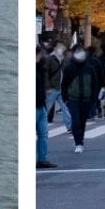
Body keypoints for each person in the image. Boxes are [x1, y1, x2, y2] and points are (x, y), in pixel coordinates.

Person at [61, 43, 98, 154]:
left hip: (86, 99)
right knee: (76, 120)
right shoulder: (69, 68)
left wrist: (94, 98)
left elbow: (95, 84)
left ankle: (80, 139)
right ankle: (78, 143)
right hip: (73, 99)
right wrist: (65, 99)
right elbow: (64, 85)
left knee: (82, 121)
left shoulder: (89, 67)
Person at [36, 42, 62, 170]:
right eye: (39, 54)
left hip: (41, 106)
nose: (41, 56)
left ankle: (42, 159)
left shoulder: (41, 68)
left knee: (43, 134)